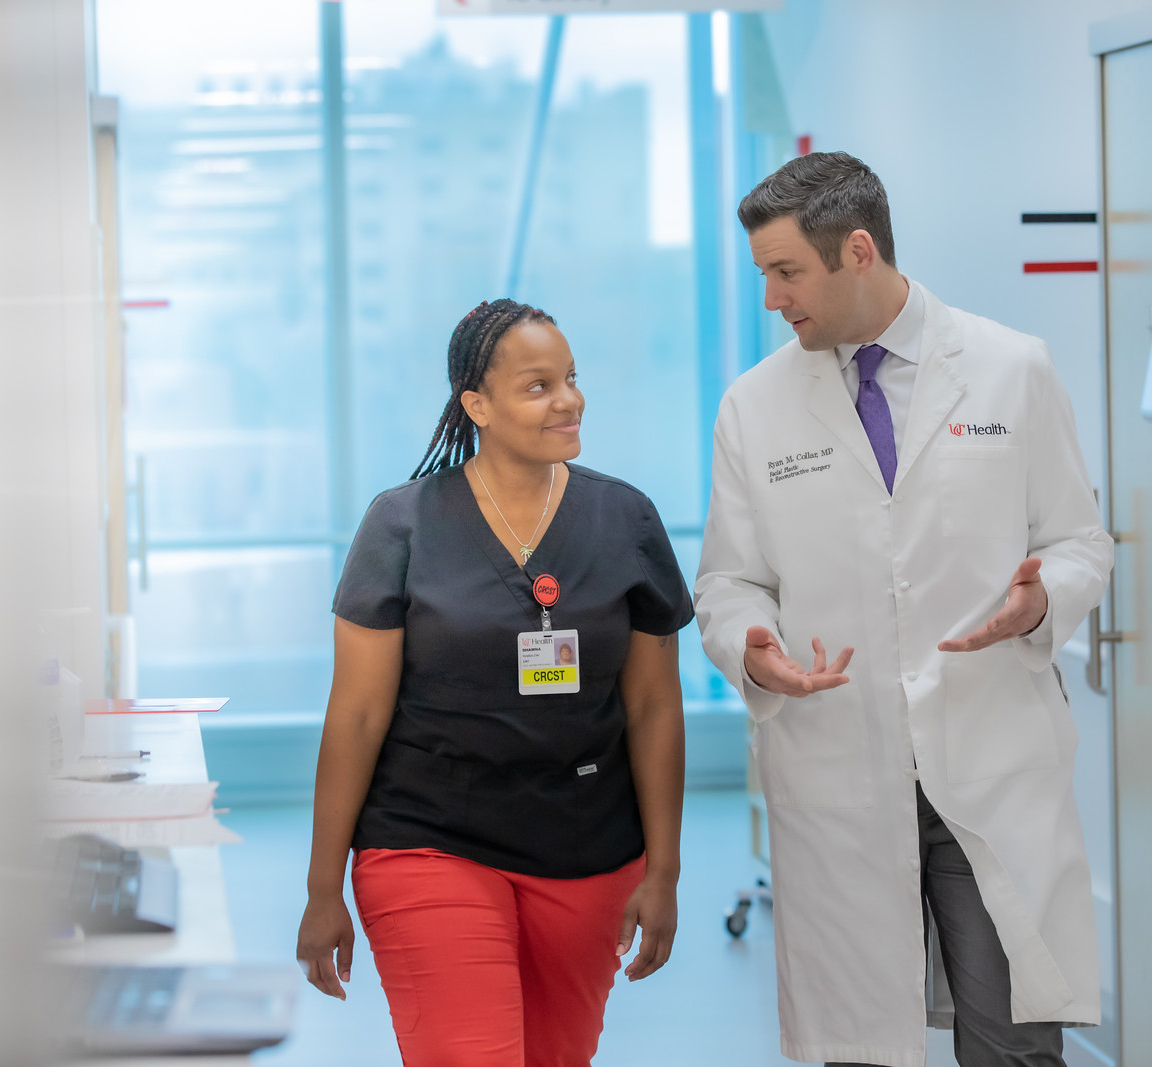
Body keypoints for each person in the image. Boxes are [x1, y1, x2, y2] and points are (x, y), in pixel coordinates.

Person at [694, 152, 1113, 1067]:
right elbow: (728, 582)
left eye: (785, 271)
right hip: (840, 763)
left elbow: (1083, 542)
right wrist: (752, 648)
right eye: (762, 273)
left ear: (856, 251)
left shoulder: (1010, 370)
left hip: (990, 763)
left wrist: (1043, 598)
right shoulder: (753, 408)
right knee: (859, 1048)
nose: (771, 297)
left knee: (1014, 1045)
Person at [296, 298, 693, 1067]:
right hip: (429, 836)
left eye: (571, 378)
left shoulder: (625, 518)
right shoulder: (402, 523)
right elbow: (357, 715)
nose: (569, 399)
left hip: (587, 847)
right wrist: (322, 888)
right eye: (538, 385)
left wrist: (664, 872)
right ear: (476, 404)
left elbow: (651, 706)